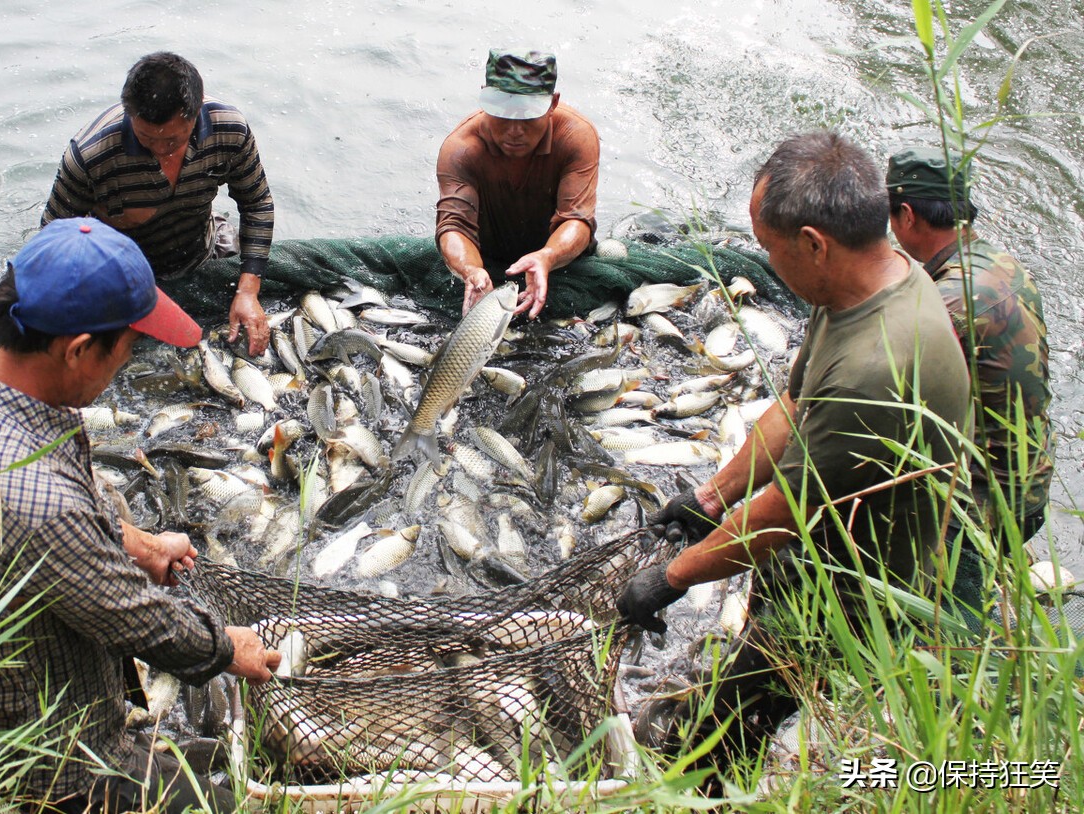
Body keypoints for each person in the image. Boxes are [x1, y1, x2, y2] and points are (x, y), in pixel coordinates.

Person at [617, 132, 970, 792]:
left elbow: (784, 517)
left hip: (852, 586)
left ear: (814, 243)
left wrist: (671, 577)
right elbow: (795, 402)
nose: (771, 266)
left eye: (774, 250)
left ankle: (709, 790)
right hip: (817, 542)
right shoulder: (863, 286)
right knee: (743, 676)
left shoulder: (876, 367)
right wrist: (711, 498)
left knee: (731, 725)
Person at [0, 218, 280, 812]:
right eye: (129, 346)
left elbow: (67, 507)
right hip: (48, 755)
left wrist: (139, 543)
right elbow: (141, 622)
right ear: (81, 349)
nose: (127, 362)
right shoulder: (35, 506)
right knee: (226, 803)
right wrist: (227, 647)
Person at [42, 51, 275, 356]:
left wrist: (248, 290)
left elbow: (257, 203)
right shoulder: (90, 155)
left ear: (196, 113)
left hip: (201, 247)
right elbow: (53, 238)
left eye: (172, 141)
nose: (161, 152)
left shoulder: (229, 130)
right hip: (122, 273)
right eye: (146, 139)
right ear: (130, 114)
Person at [886, 146, 1053, 547]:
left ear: (907, 215)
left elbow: (883, 402)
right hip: (1032, 484)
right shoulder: (1002, 263)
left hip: (989, 507)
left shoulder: (948, 304)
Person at [436, 49, 599, 319]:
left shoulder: (575, 136)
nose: (514, 130)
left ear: (552, 103)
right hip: (487, 258)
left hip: (556, 259)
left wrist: (547, 256)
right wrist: (471, 270)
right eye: (503, 112)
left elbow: (577, 219)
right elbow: (454, 225)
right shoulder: (461, 148)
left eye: (527, 114)